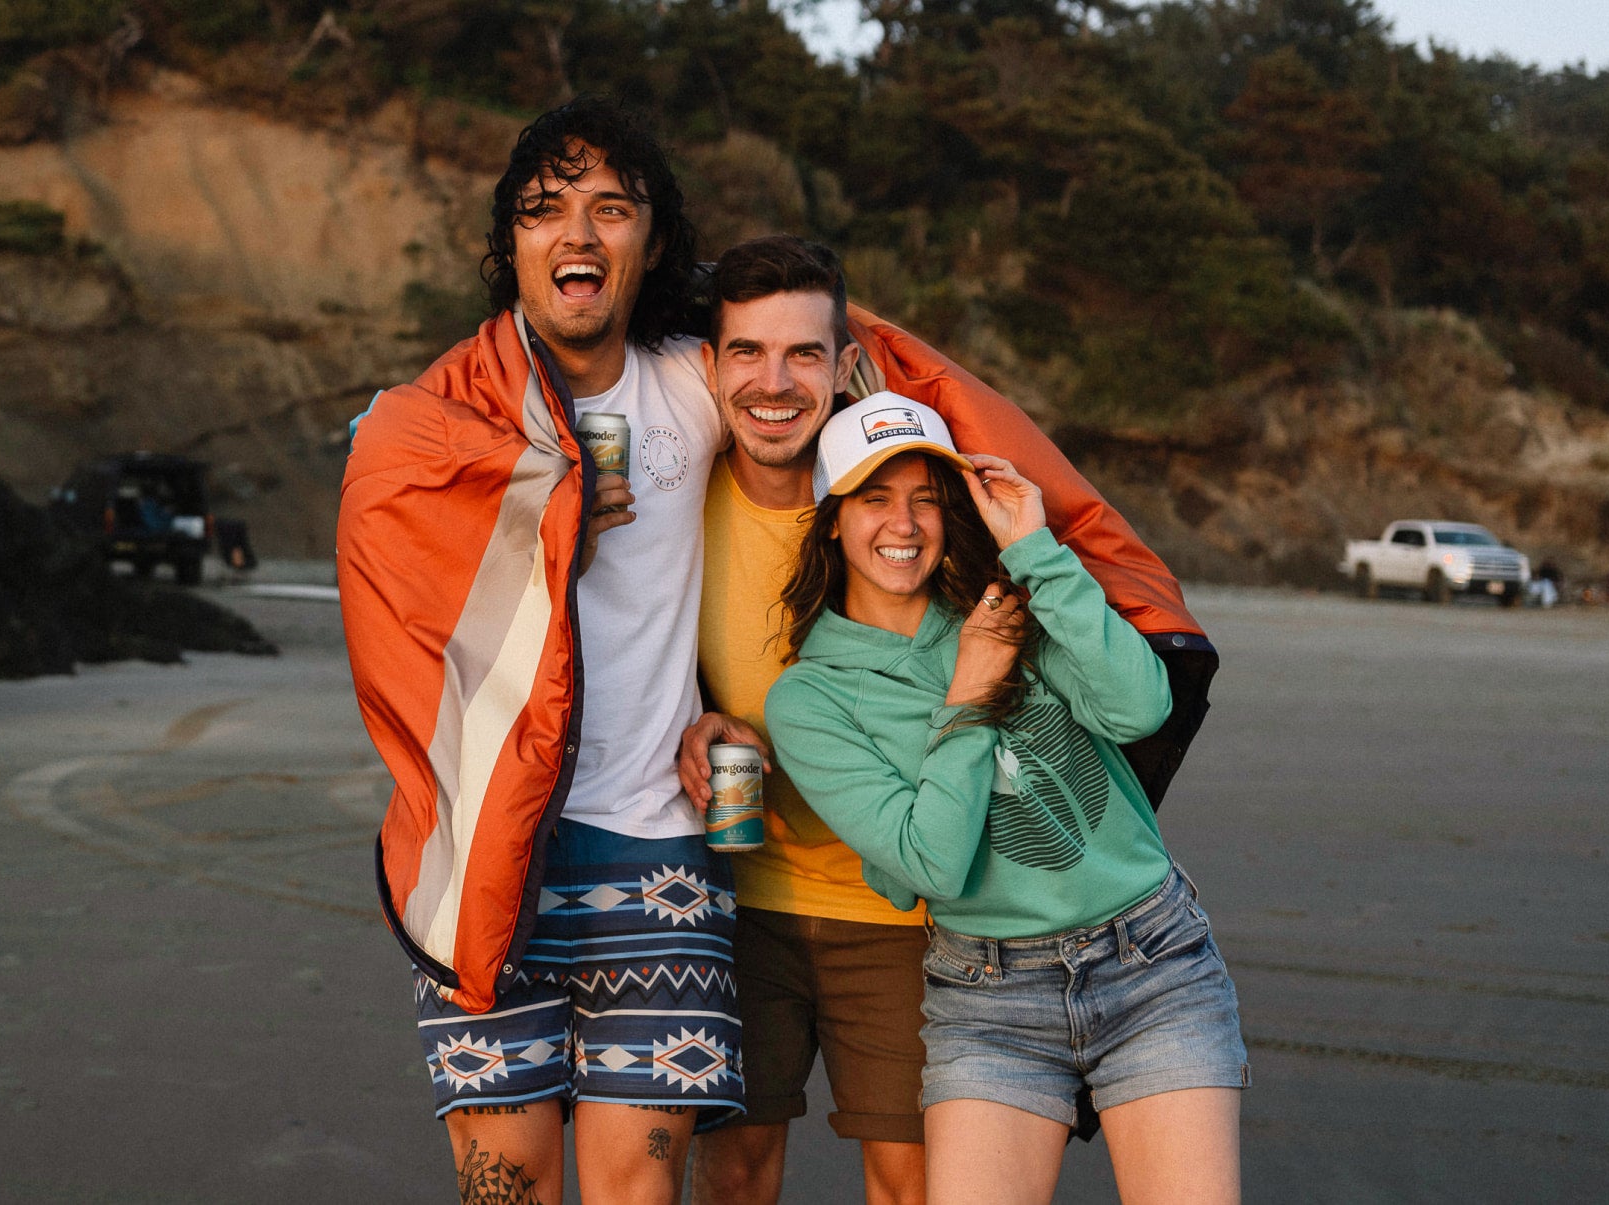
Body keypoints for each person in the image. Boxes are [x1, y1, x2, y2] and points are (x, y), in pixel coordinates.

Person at [676, 237, 1210, 1205]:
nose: (773, 379)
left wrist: (1028, 559)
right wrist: (685, 719)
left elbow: (1128, 699)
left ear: (841, 366)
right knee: (735, 1166)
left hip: (920, 919)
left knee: (909, 1176)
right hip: (760, 893)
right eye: (746, 352)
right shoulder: (678, 497)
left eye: (802, 353)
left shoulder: (971, 588)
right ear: (708, 366)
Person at [339, 96, 738, 1204]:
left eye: (612, 208)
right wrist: (535, 510)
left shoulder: (702, 384)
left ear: (650, 243)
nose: (576, 233)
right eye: (542, 210)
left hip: (658, 863)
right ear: (507, 246)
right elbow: (379, 539)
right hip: (482, 863)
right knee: (500, 1194)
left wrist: (745, 699)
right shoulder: (439, 418)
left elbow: (832, 506)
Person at [761, 410, 1248, 1205]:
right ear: (832, 521)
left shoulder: (1013, 601)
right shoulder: (810, 701)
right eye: (873, 498)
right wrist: (972, 686)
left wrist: (1034, 548)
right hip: (990, 997)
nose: (904, 524)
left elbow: (1140, 707)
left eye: (925, 498)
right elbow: (932, 861)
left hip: (1152, 959)